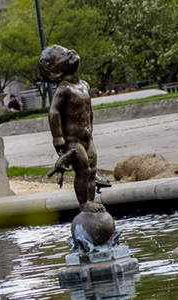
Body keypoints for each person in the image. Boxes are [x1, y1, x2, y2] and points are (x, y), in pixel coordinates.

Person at [40, 45, 111, 204]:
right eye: (62, 56)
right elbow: (54, 112)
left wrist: (90, 131)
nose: (69, 53)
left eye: (66, 51)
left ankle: (91, 202)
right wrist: (57, 138)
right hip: (73, 141)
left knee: (92, 172)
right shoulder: (64, 88)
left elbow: (88, 111)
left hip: (88, 138)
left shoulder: (84, 85)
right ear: (55, 71)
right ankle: (84, 204)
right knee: (83, 171)